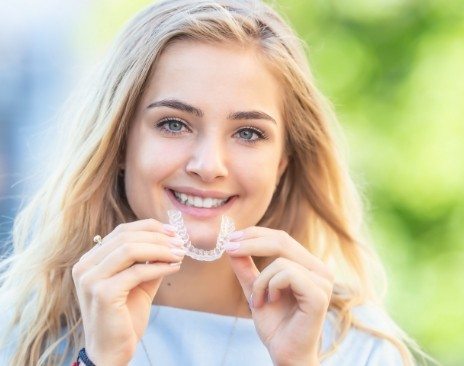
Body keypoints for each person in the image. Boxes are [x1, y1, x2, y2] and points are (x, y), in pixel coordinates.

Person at [0, 0, 434, 365]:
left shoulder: (358, 347)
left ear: (283, 161)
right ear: (118, 144)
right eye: (173, 124)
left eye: (248, 133)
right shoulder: (26, 331)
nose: (209, 165)